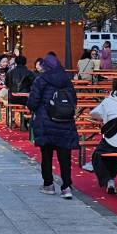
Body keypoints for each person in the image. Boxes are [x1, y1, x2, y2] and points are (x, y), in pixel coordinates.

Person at [25, 54, 78, 196]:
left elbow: (33, 101)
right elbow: (74, 100)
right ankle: (66, 186)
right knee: (64, 156)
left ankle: (48, 184)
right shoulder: (67, 80)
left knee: (46, 155)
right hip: (65, 121)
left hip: (45, 121)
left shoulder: (41, 80)